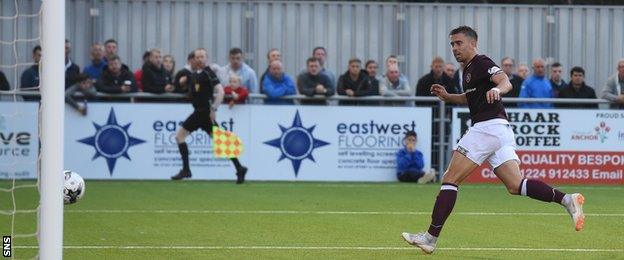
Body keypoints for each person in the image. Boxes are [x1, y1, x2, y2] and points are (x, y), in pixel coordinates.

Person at [401, 26, 584, 254]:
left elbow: (505, 80)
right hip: (500, 130)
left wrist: (499, 90)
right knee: (515, 185)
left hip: (487, 128)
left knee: (450, 179)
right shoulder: (467, 70)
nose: (454, 48)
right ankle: (567, 200)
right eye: (452, 44)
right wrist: (448, 97)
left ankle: (430, 238)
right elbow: (470, 98)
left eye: (458, 43)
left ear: (472, 43)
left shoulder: (481, 62)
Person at [170, 48, 248, 183]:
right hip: (201, 113)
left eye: (202, 57)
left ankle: (186, 170)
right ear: (193, 59)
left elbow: (221, 91)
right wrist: (183, 82)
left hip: (203, 113)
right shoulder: (194, 74)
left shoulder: (208, 72)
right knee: (221, 142)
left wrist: (214, 109)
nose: (199, 59)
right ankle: (239, 168)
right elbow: (185, 87)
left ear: (207, 59)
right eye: (197, 57)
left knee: (179, 136)